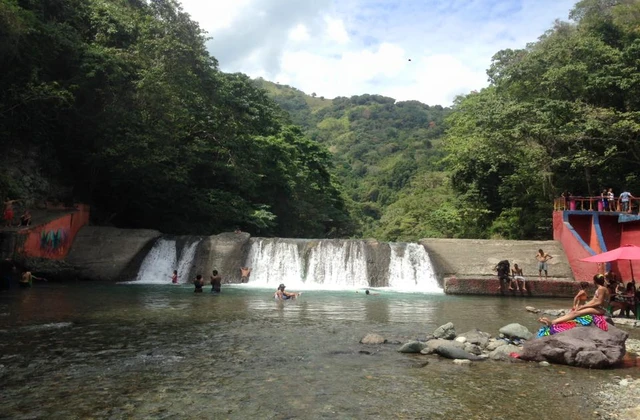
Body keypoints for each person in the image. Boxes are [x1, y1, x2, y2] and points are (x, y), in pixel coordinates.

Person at [539, 273, 609, 326]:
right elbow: (594, 300)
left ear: (594, 281)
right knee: (575, 311)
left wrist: (584, 306)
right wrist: (581, 307)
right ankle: (555, 320)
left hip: (601, 309)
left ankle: (553, 322)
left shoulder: (601, 289)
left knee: (576, 313)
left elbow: (599, 302)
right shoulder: (601, 288)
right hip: (597, 308)